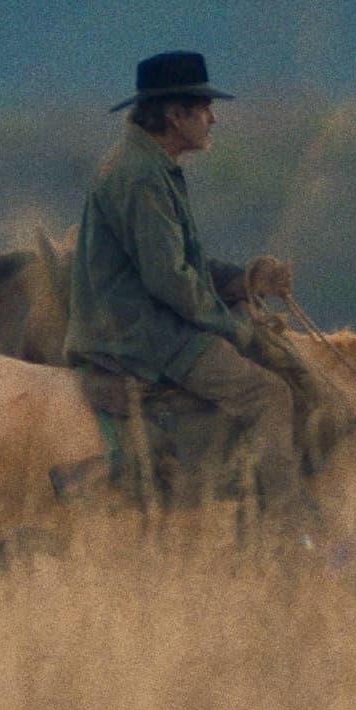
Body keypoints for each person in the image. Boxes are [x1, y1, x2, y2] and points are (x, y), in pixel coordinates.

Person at [63, 50, 309, 525]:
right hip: (140, 335)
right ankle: (288, 532)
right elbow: (168, 279)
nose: (212, 119)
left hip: (141, 323)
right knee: (268, 395)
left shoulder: (148, 166)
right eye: (203, 109)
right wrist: (229, 325)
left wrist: (244, 281)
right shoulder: (141, 177)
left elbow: (182, 262)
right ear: (175, 116)